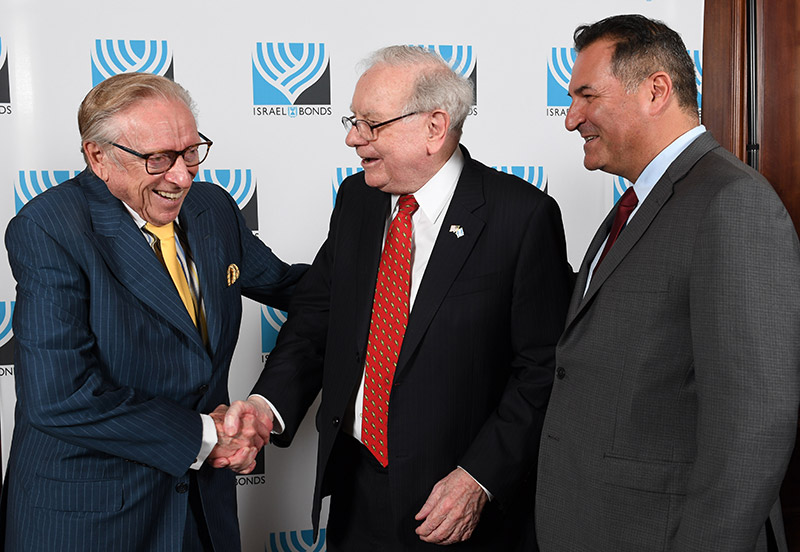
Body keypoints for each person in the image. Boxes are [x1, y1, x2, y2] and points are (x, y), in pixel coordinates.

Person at [222, 45, 572, 551]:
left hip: (457, 502)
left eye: (370, 124)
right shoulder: (356, 201)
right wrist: (264, 406)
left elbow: (542, 368)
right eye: (353, 120)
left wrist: (479, 478)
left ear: (435, 126)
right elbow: (317, 318)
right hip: (357, 486)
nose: (352, 138)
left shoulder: (521, 217)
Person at [0, 72, 306, 551]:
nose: (182, 176)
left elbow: (293, 288)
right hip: (94, 521)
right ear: (98, 156)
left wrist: (398, 268)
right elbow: (58, 397)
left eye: (190, 152)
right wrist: (208, 435)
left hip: (203, 512)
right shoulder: (49, 227)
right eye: (158, 159)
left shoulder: (213, 208)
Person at [535, 14, 800, 552]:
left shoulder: (733, 202)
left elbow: (753, 430)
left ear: (657, 91)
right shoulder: (639, 203)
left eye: (587, 96)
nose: (571, 119)